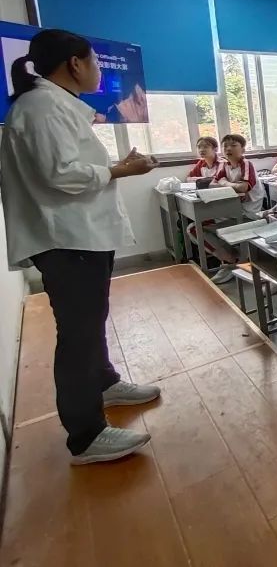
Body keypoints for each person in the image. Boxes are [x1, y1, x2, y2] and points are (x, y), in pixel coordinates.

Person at [0, 29, 160, 465]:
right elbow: (61, 174)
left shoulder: (53, 104)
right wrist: (119, 170)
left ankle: (104, 382)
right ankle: (85, 435)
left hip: (80, 235)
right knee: (78, 334)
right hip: (66, 239)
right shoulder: (42, 107)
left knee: (91, 323)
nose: (96, 72)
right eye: (93, 62)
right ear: (74, 64)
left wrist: (117, 170)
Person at [206, 133, 265, 284]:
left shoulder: (246, 164)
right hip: (232, 212)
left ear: (243, 149)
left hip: (249, 215)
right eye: (225, 146)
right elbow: (213, 183)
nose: (228, 149)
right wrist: (231, 185)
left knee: (209, 230)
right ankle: (232, 260)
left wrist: (225, 182)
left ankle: (231, 264)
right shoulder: (225, 165)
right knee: (196, 229)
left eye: (233, 145)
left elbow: (244, 187)